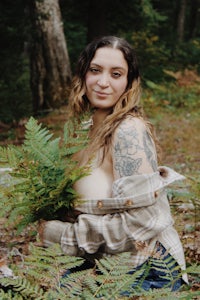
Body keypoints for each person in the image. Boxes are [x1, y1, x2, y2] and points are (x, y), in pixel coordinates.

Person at [39, 36, 188, 291]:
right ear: (83, 74)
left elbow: (143, 223)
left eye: (116, 74)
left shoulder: (128, 131)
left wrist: (61, 235)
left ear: (129, 83)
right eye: (95, 70)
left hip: (148, 268)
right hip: (103, 264)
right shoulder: (81, 130)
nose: (103, 82)